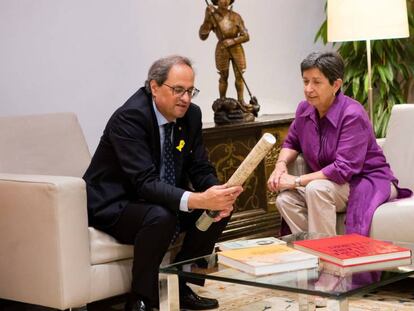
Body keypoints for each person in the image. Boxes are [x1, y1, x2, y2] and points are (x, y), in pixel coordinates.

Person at [83, 55, 243, 311]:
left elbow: (199, 166)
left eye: (191, 91)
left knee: (215, 212)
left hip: (156, 199)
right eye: (178, 90)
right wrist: (198, 199)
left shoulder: (191, 115)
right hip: (115, 203)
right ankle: (140, 299)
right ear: (154, 87)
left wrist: (217, 193)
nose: (186, 98)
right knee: (161, 216)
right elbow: (144, 182)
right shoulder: (130, 118)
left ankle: (180, 285)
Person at [267, 51, 412, 237]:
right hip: (330, 184)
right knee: (286, 199)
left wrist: (295, 181)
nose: (308, 89)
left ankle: (329, 260)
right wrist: (280, 166)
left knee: (316, 189)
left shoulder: (352, 114)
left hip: (367, 181)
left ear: (336, 85)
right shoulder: (305, 109)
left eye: (316, 82)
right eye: (305, 81)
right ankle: (314, 252)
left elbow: (342, 170)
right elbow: (292, 141)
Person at [199, 0, 250, 109]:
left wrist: (233, 41)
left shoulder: (236, 17)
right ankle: (222, 100)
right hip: (222, 49)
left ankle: (241, 100)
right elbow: (203, 35)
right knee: (223, 76)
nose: (225, 1)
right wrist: (207, 17)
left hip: (236, 48)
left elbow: (246, 36)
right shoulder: (213, 16)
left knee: (239, 75)